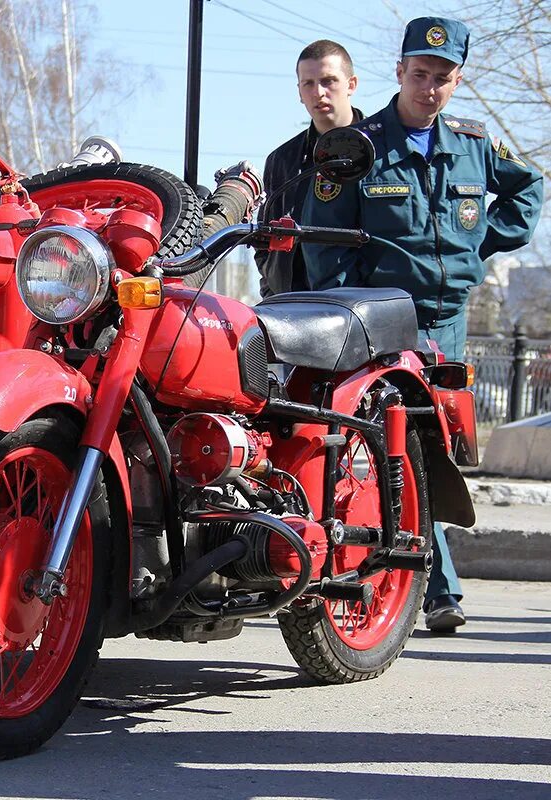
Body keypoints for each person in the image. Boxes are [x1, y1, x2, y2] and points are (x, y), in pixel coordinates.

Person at [303, 17, 544, 632]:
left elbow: (527, 189)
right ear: (399, 72)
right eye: (419, 74)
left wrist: (479, 246)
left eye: (442, 78)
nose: (429, 87)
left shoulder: (473, 144)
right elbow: (323, 243)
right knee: (392, 446)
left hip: (450, 321)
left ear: (456, 80)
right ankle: (430, 587)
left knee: (437, 450)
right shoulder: (357, 146)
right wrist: (347, 313)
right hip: (385, 322)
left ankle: (423, 582)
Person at [254, 40, 364, 297]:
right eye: (309, 84)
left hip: (360, 308)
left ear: (351, 85)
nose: (319, 92)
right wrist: (274, 287)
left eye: (329, 81)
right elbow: (264, 239)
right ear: (299, 91)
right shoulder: (282, 159)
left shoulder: (381, 150)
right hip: (293, 306)